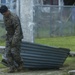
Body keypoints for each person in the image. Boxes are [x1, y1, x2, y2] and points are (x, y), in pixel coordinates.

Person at [0, 5, 24, 73]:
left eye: (4, 13)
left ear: (7, 11)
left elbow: (17, 30)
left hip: (16, 36)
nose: (4, 15)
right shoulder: (5, 17)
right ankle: (12, 67)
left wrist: (14, 40)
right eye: (2, 14)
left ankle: (20, 64)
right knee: (7, 53)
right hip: (9, 36)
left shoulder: (14, 17)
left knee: (14, 52)